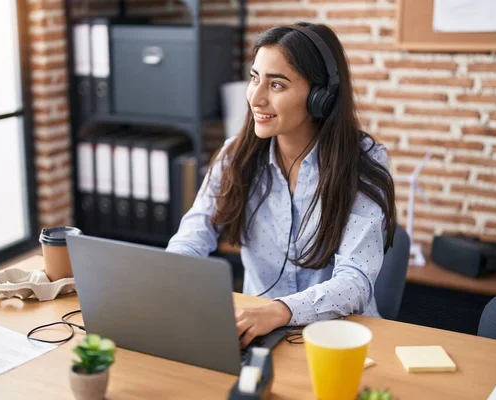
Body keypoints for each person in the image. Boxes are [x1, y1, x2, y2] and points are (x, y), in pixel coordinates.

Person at [166, 22, 397, 348]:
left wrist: (280, 311)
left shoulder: (363, 162)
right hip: (252, 333)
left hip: (337, 340)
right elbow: (195, 232)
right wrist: (166, 277)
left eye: (276, 85)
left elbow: (355, 280)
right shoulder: (236, 155)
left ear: (321, 97)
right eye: (254, 78)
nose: (256, 98)